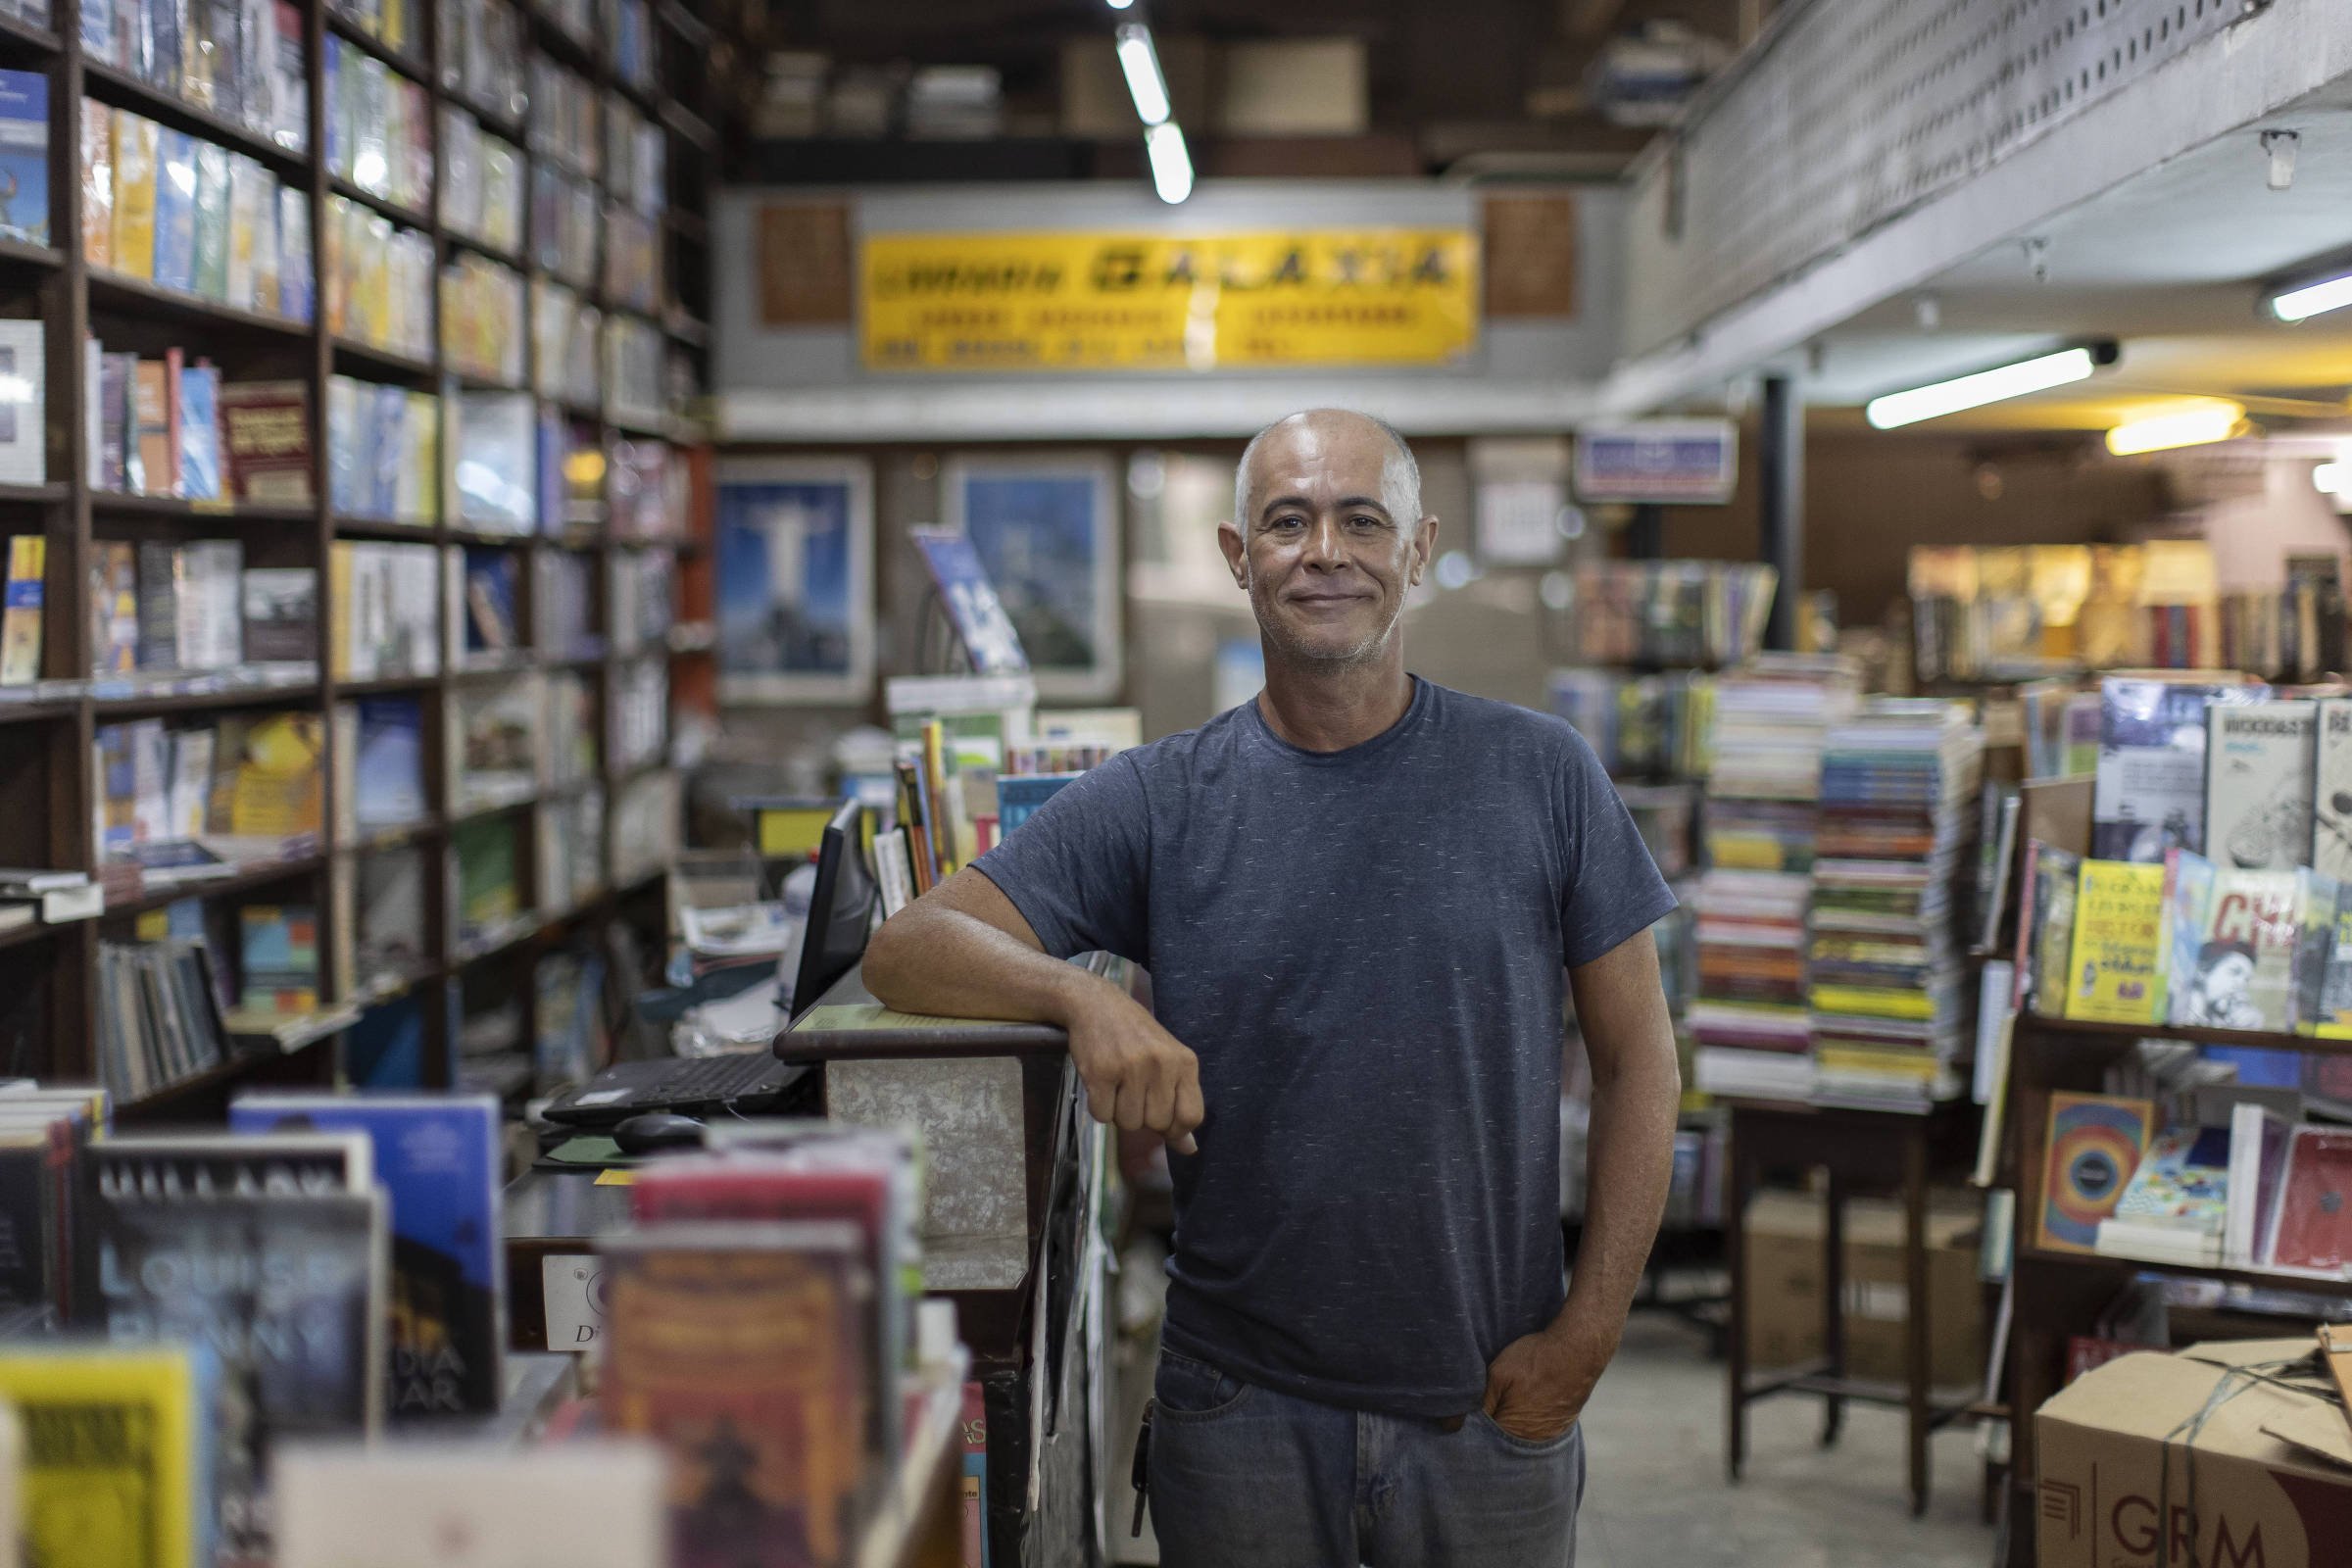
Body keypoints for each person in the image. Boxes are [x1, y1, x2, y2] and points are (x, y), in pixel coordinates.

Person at [862, 409, 1682, 1567]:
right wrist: (1086, 999)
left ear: (1418, 546)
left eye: (1362, 520)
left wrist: (1589, 1337)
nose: (1325, 551)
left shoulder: (1540, 772)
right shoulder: (1161, 798)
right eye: (1288, 521)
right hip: (1235, 1411)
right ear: (1238, 556)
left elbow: (1641, 1058)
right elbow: (909, 944)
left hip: (1489, 1407)